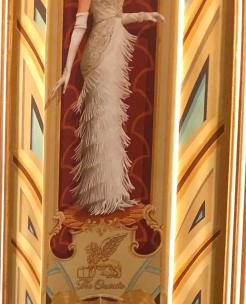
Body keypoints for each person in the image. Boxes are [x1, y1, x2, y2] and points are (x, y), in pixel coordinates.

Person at [48, 0, 164, 215]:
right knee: (101, 120)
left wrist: (142, 16)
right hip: (98, 54)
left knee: (111, 120)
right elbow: (80, 27)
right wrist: (66, 71)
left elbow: (114, 18)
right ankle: (99, 197)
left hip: (114, 48)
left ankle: (110, 193)